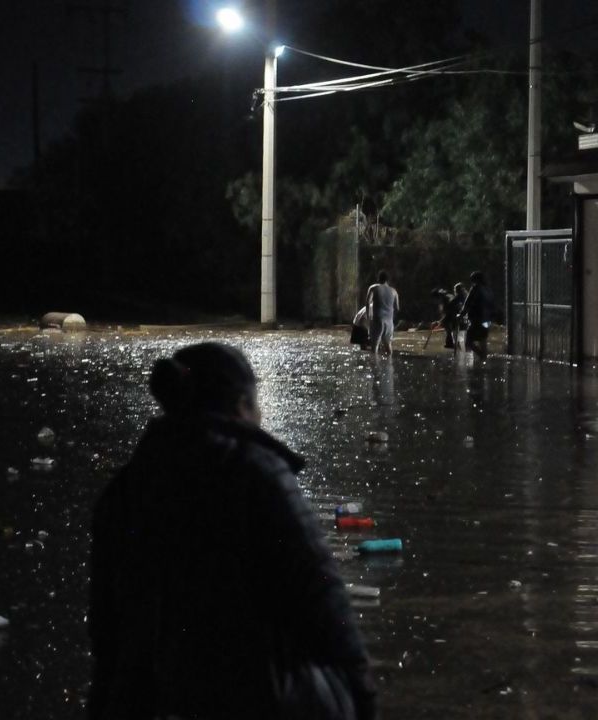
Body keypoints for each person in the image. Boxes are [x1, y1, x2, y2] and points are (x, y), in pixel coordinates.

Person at [89, 343, 376, 720]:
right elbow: (321, 597)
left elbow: (106, 629)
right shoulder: (255, 474)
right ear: (242, 404)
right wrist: (361, 693)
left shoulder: (125, 490)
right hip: (256, 696)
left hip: (154, 700)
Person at [366, 270, 400, 360]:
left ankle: (375, 370)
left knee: (375, 347)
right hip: (389, 322)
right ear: (388, 280)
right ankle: (390, 366)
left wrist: (368, 316)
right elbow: (397, 308)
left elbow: (368, 302)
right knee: (388, 345)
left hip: (378, 320)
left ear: (378, 278)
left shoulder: (373, 288)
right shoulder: (394, 291)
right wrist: (393, 320)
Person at [460, 271, 494, 360]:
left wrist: (462, 313)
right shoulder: (488, 289)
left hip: (477, 319)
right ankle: (484, 361)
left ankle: (482, 357)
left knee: (468, 342)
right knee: (483, 340)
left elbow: (467, 303)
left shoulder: (476, 288)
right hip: (487, 319)